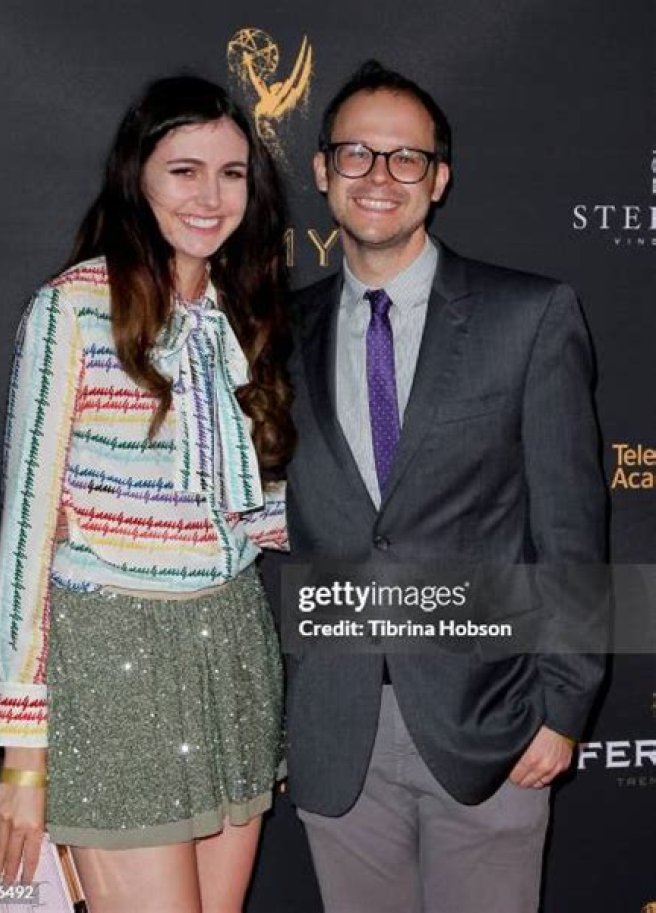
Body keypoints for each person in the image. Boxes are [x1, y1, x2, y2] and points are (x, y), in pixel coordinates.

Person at [284, 60, 607, 913]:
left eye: (407, 158)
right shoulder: (276, 329)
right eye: (357, 153)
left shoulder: (527, 316)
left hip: (491, 720)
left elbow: (572, 527)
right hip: (335, 729)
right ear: (322, 170)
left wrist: (564, 705)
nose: (379, 176)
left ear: (439, 179)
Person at [0, 75, 294, 913]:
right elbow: (27, 536)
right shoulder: (74, 308)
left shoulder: (244, 309)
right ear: (137, 177)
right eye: (183, 171)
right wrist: (23, 755)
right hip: (113, 664)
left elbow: (248, 506)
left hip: (233, 648)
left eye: (231, 173)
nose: (210, 197)